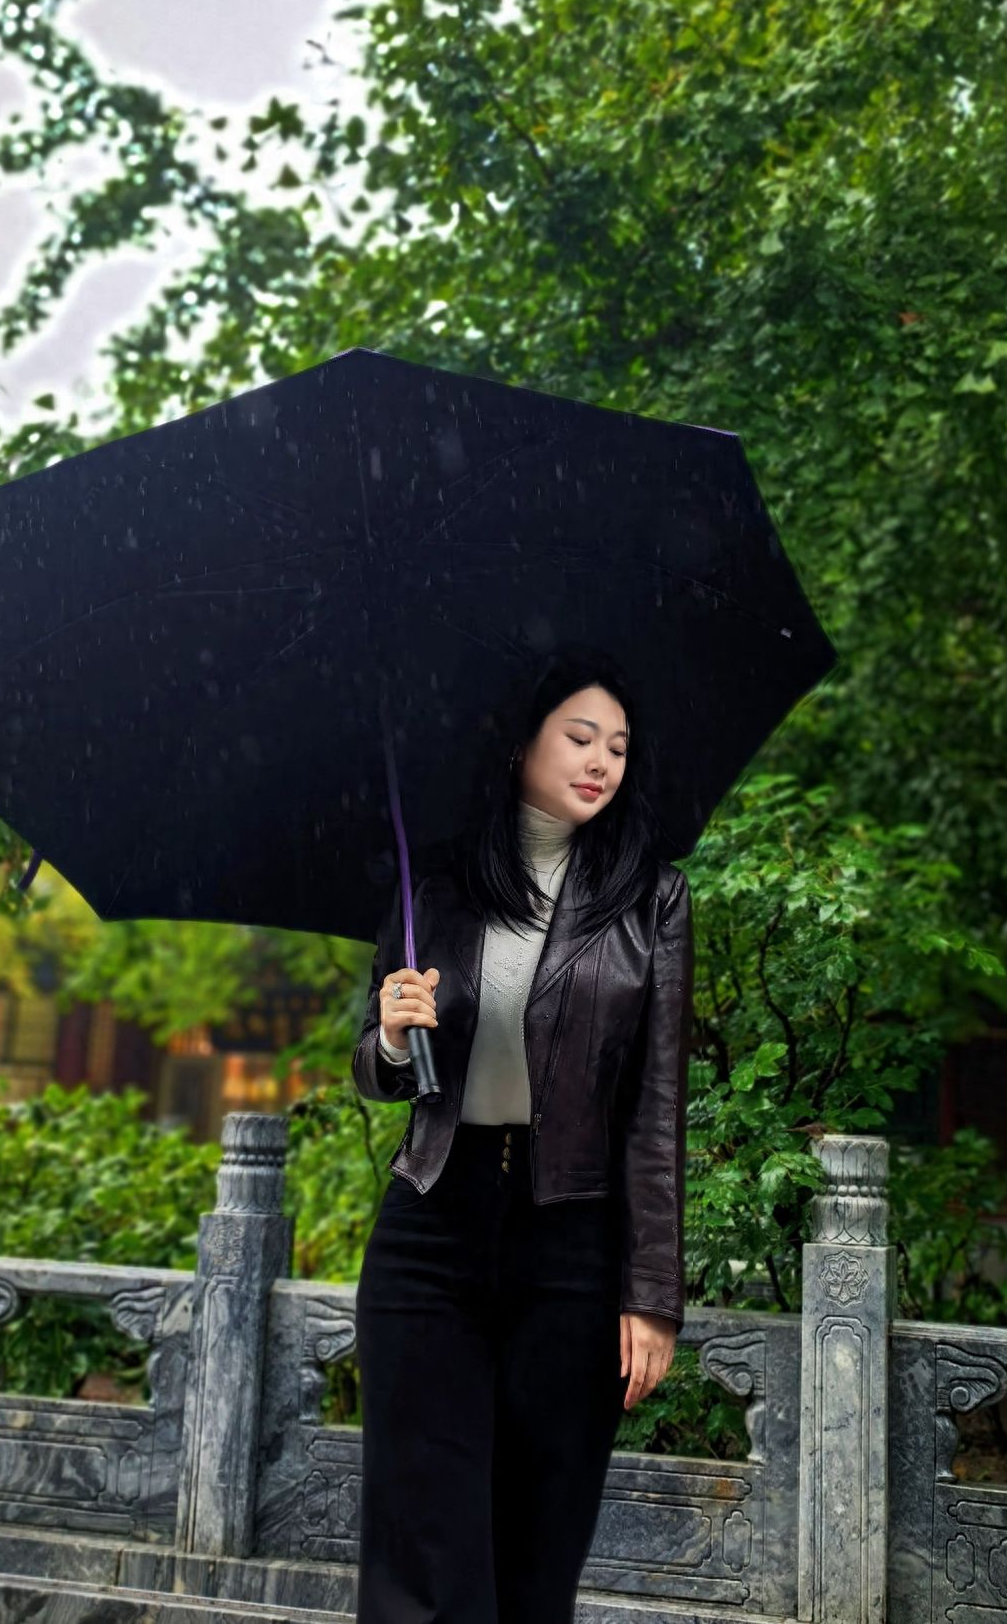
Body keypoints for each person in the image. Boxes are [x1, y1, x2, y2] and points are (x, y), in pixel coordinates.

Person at [351, 645, 695, 1624]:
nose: (600, 762)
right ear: (521, 746)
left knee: (535, 1557)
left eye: (618, 748)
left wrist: (652, 1295)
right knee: (424, 1549)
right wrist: (389, 1031)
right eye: (579, 737)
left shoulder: (652, 902)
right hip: (430, 1225)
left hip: (570, 1247)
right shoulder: (437, 887)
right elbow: (372, 1072)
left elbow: (653, 1110)